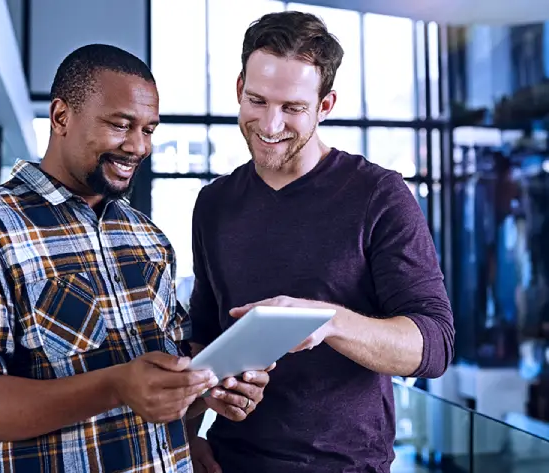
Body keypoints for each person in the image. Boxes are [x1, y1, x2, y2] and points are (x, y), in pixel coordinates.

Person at [0, 43, 271, 472]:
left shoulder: (146, 237)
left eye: (149, 129)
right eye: (121, 125)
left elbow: (168, 373)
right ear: (61, 117)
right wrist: (115, 387)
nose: (139, 146)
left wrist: (206, 386)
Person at [186, 11, 455, 473]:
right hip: (231, 462)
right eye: (257, 100)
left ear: (325, 105)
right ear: (238, 90)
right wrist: (189, 437)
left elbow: (434, 347)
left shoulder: (378, 195)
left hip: (347, 465)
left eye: (292, 108)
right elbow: (203, 340)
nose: (270, 125)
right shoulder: (214, 203)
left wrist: (328, 322)